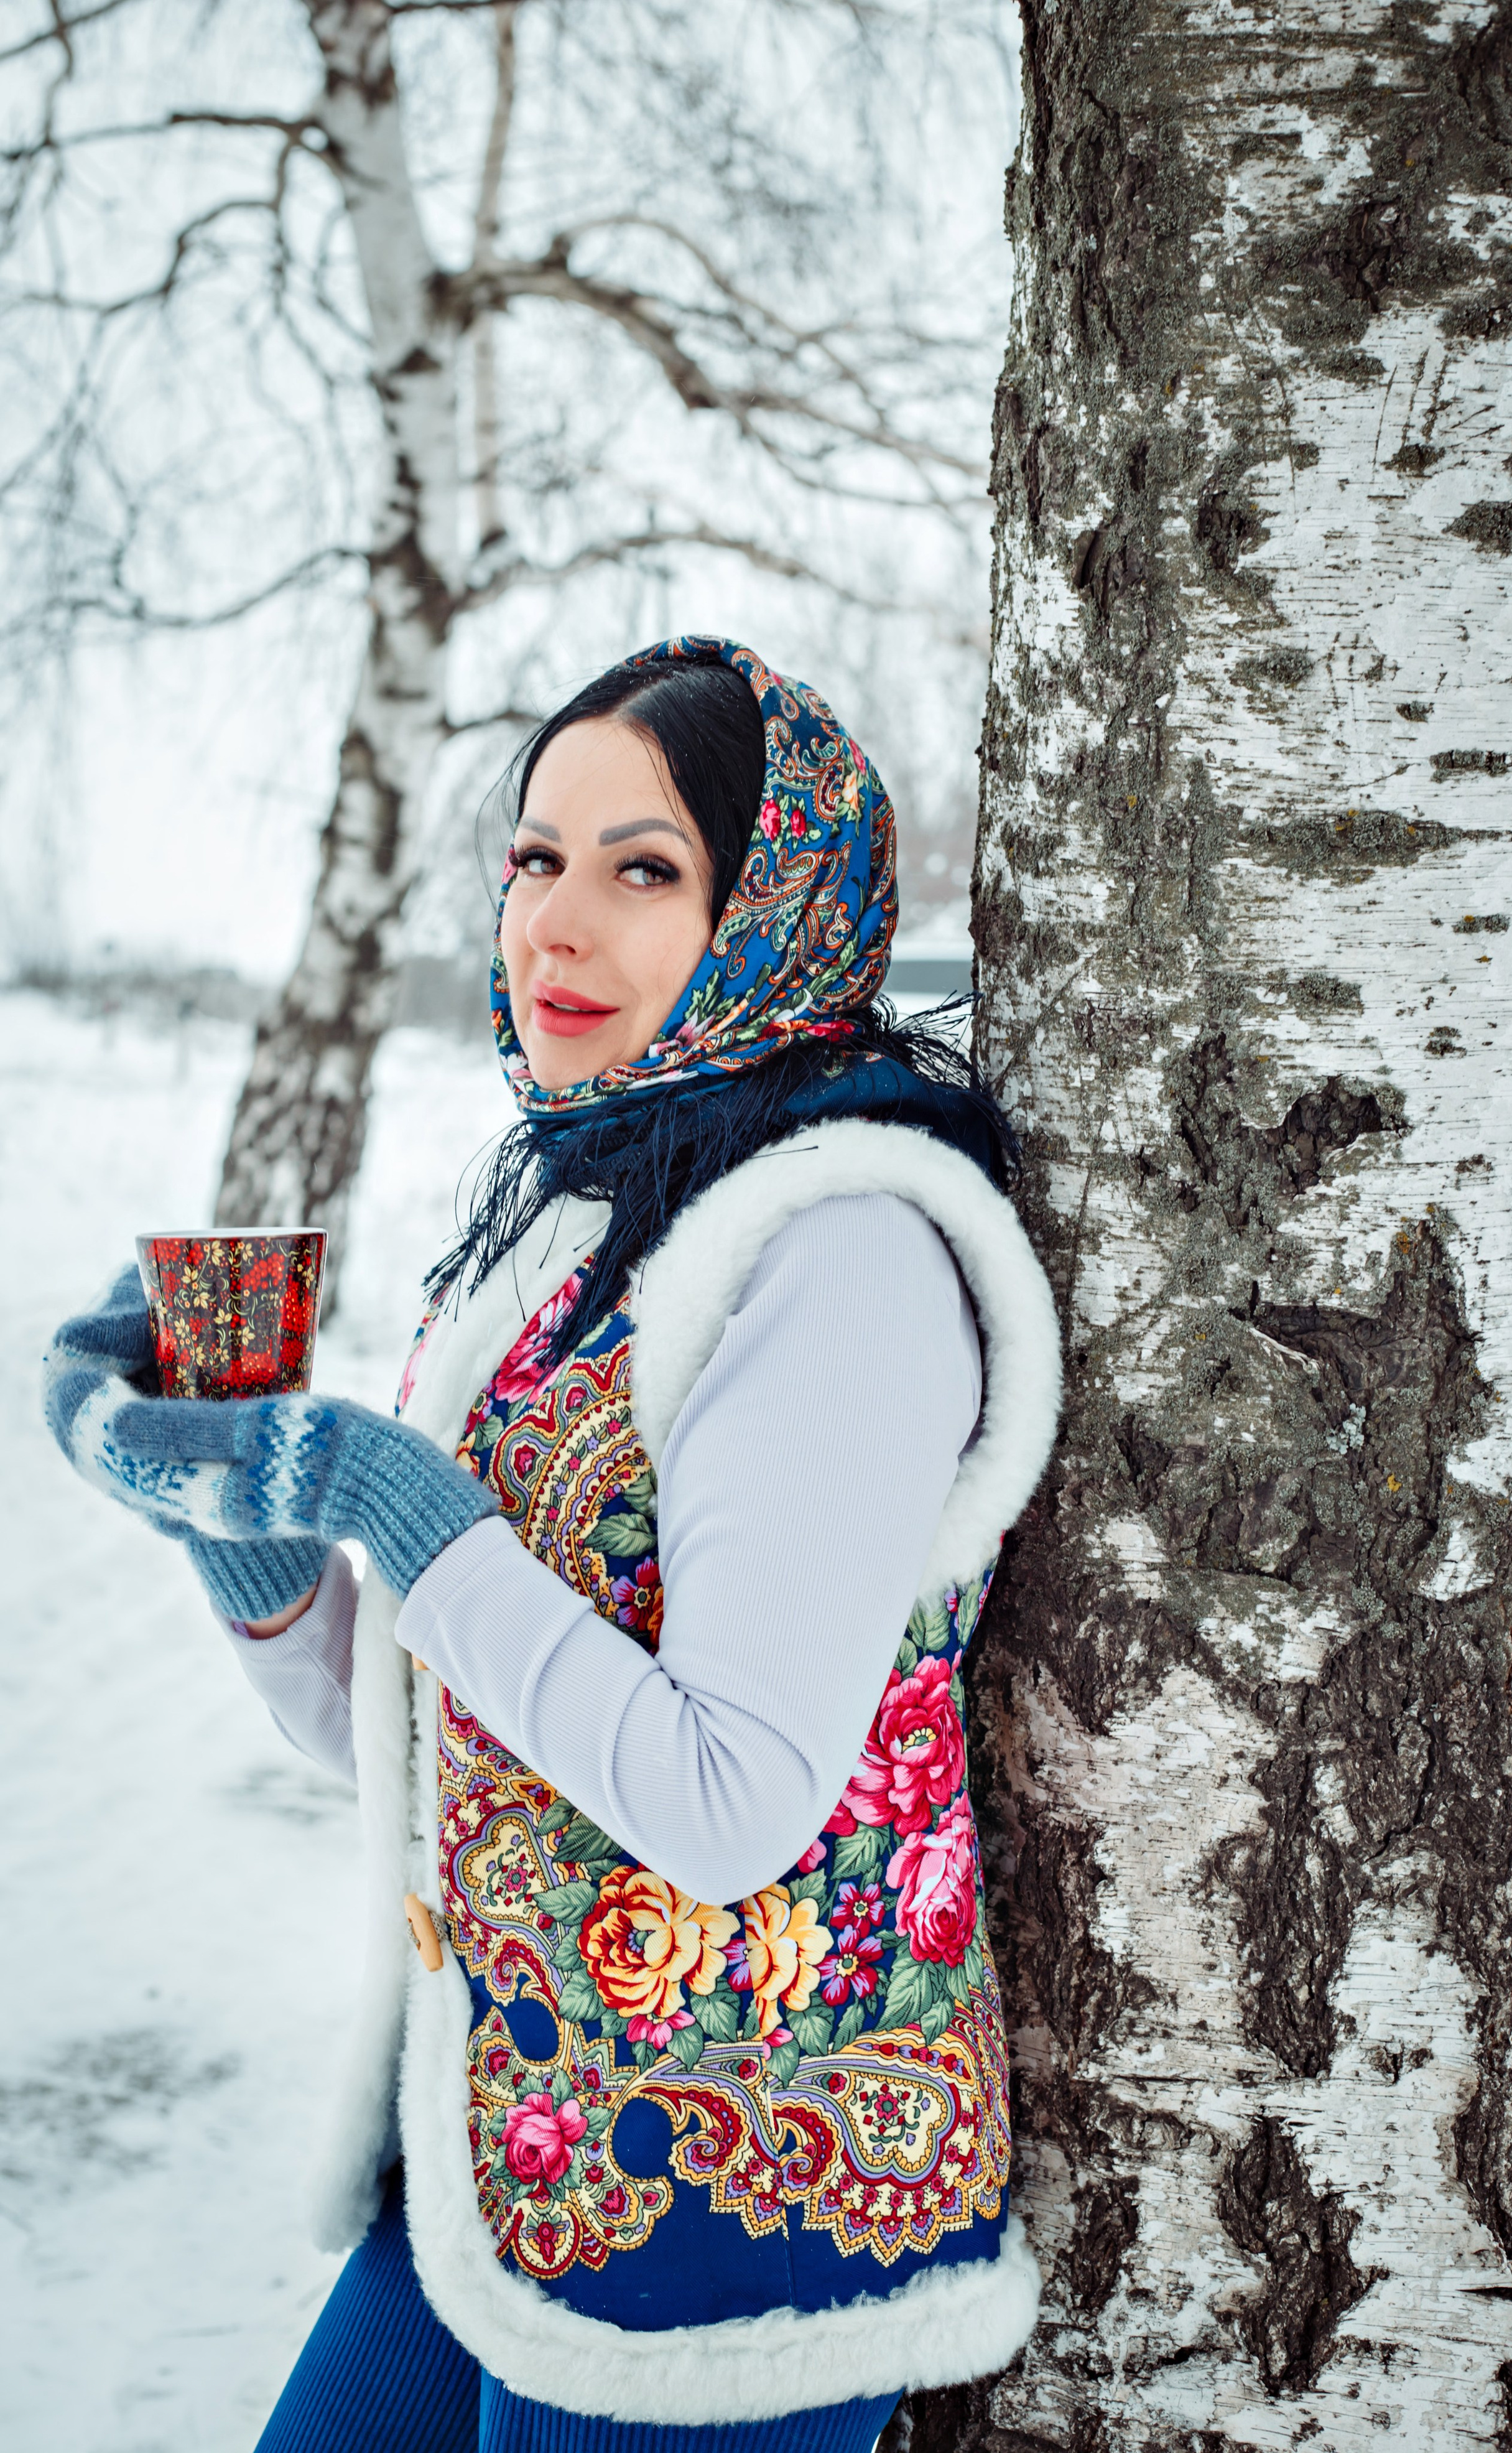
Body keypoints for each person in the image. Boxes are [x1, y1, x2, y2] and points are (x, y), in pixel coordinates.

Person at [44, 638, 1061, 2452]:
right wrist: (239, 1525)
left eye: (643, 868)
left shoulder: (841, 1250)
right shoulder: (593, 1216)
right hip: (499, 2159)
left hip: (725, 2229)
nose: (555, 925)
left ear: (774, 908)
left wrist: (389, 1499)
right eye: (534, 858)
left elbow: (730, 1799)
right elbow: (445, 1737)